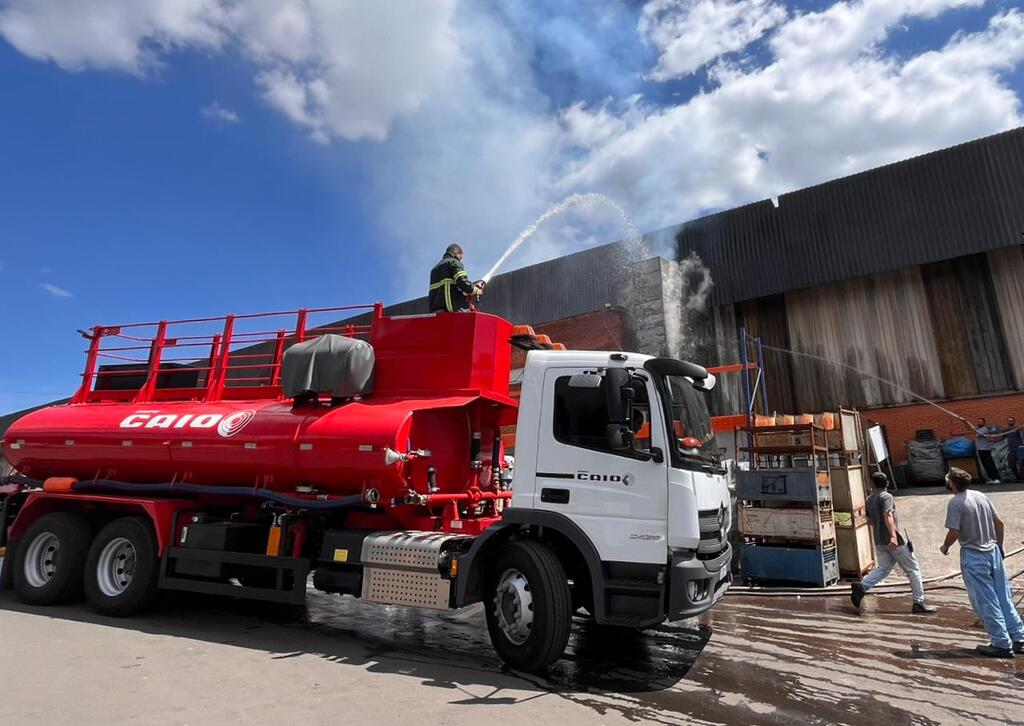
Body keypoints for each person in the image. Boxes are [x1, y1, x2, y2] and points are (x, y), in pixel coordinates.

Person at [940, 467, 1024, 658]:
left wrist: (945, 547)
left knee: (986, 600)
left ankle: (1001, 643)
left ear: (952, 484)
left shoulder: (956, 503)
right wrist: (999, 547)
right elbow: (999, 523)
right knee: (1004, 597)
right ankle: (1019, 638)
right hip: (993, 552)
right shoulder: (980, 496)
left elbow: (954, 532)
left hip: (974, 555)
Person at [851, 472, 937, 613]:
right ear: (887, 483)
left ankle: (862, 586)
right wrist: (893, 536)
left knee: (883, 568)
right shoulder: (886, 496)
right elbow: (888, 515)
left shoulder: (869, 499)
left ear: (872, 484)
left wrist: (880, 532)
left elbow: (870, 520)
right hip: (893, 541)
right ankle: (919, 602)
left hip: (879, 540)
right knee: (913, 570)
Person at [428, 243, 482, 313]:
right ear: (457, 253)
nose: (460, 259)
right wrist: (475, 290)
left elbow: (448, 286)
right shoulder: (454, 262)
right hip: (451, 309)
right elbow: (462, 281)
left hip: (435, 311)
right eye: (460, 257)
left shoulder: (434, 269)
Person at [973, 417, 1000, 484]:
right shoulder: (979, 429)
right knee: (985, 465)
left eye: (981, 422)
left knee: (989, 464)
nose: (979, 423)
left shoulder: (983, 429)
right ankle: (992, 478)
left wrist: (975, 429)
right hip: (980, 449)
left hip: (985, 449)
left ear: (984, 423)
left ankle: (996, 478)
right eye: (978, 421)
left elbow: (978, 435)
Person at [999, 416, 1021, 482]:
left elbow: (1022, 436)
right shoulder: (1006, 430)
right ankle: (1018, 477)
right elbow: (1001, 437)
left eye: (1011, 421)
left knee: (1021, 463)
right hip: (1011, 449)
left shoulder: (1017, 428)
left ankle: (1022, 477)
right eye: (1009, 421)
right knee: (1011, 464)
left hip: (1019, 448)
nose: (1010, 422)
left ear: (1014, 422)